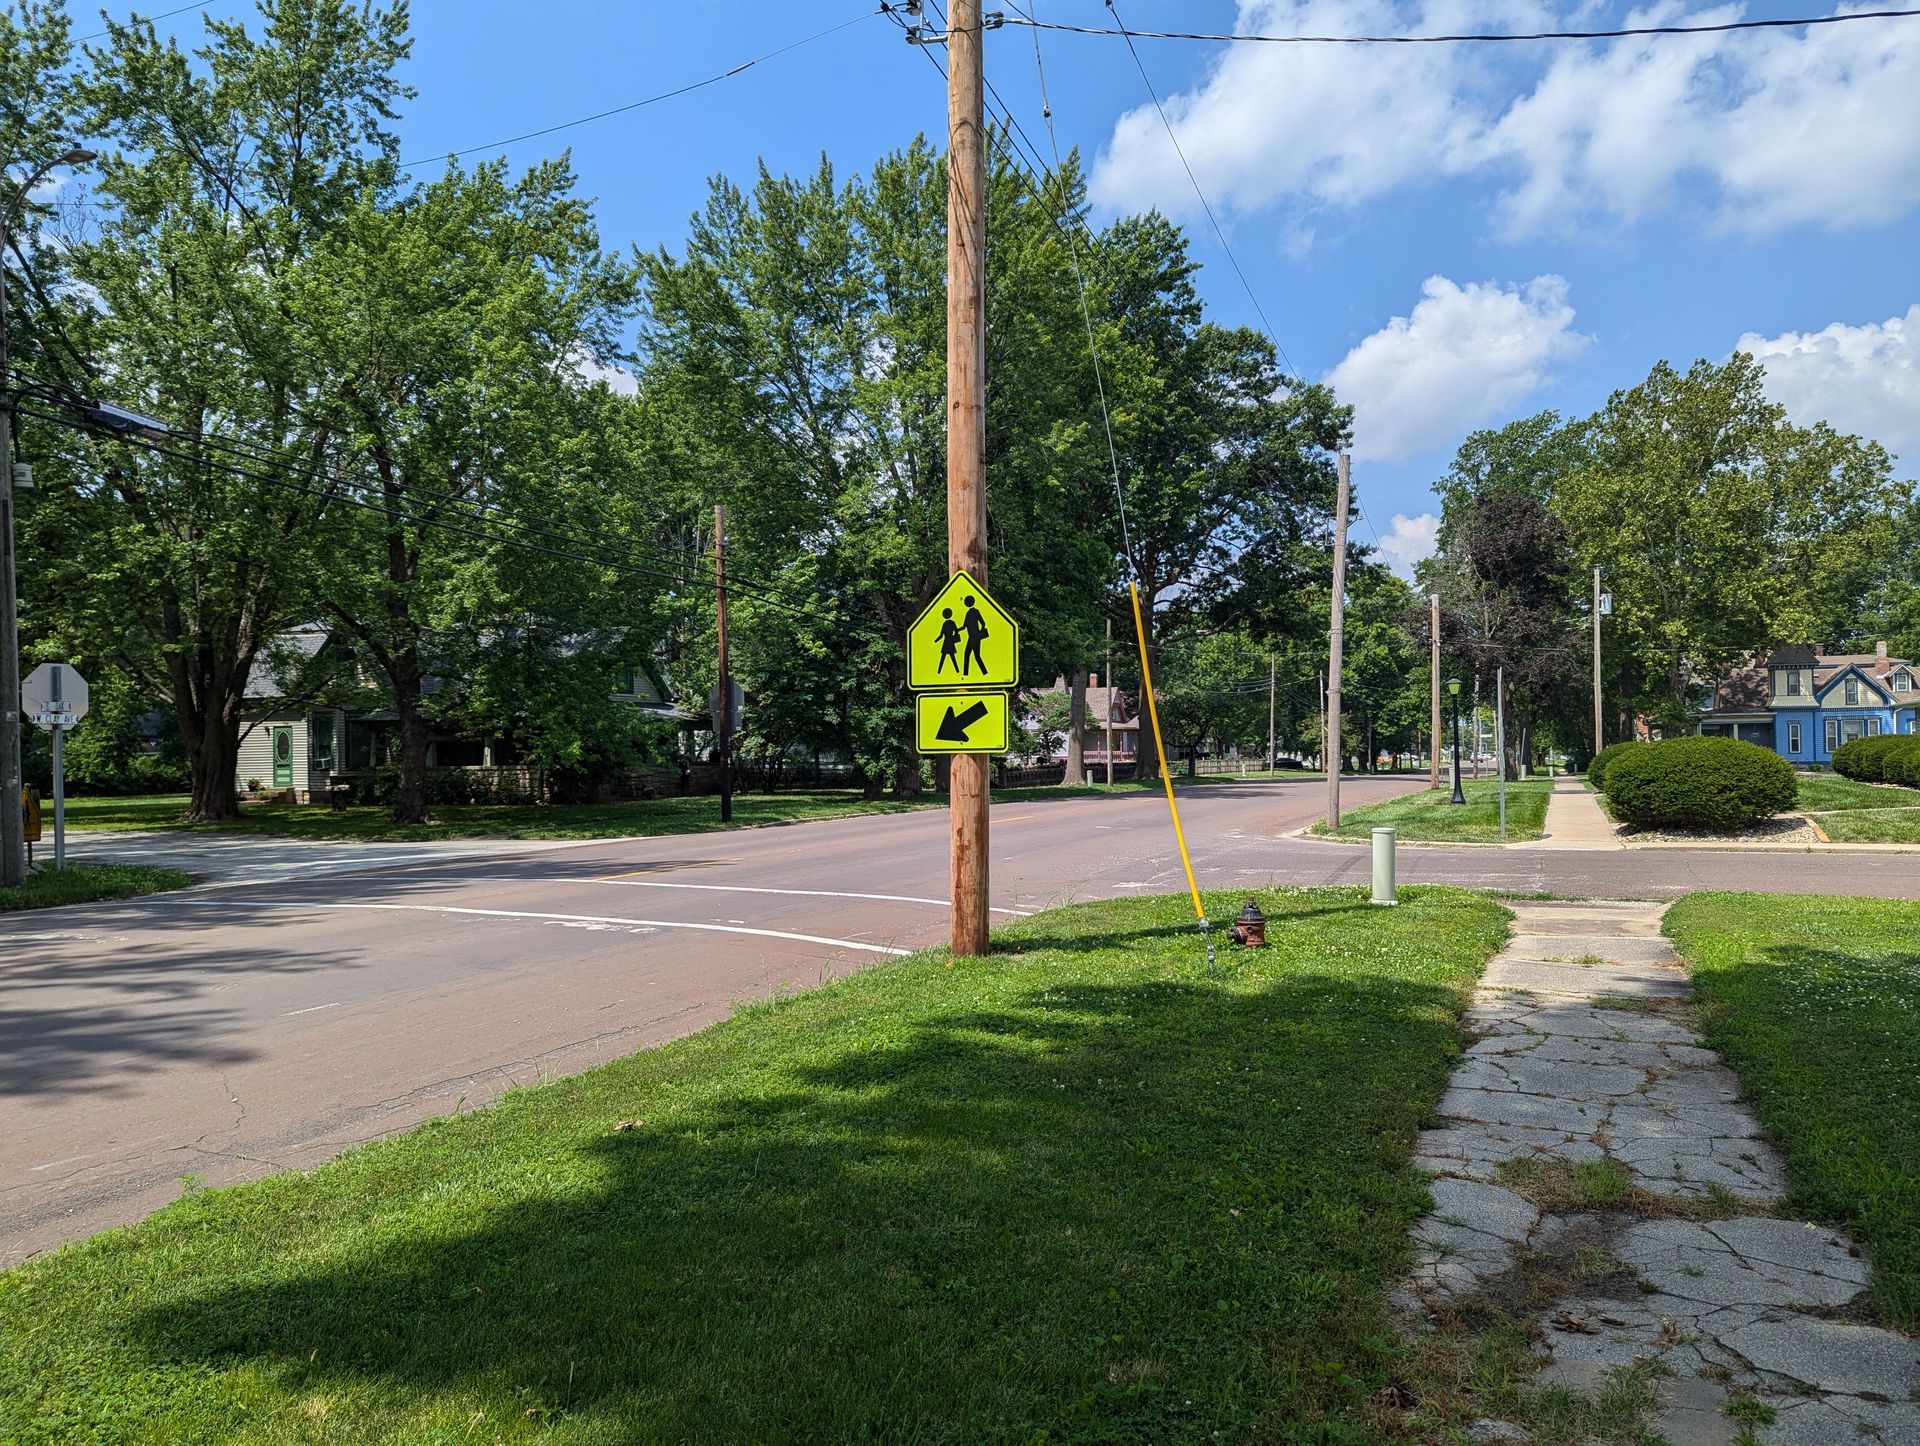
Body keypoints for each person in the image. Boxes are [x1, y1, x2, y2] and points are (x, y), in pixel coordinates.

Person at [961, 595, 989, 676]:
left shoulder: (975, 612)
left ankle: (967, 674)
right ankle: (983, 672)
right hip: (972, 637)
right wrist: (957, 630)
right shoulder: (968, 613)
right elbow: (964, 626)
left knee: (970, 655)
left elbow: (983, 623)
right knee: (973, 655)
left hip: (975, 638)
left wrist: (979, 633)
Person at [937, 608, 962, 675]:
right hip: (950, 642)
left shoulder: (944, 624)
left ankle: (939, 671)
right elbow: (956, 631)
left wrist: (936, 641)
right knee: (952, 657)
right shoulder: (952, 623)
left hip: (946, 642)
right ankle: (957, 671)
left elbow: (941, 635)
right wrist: (954, 637)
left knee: (944, 658)